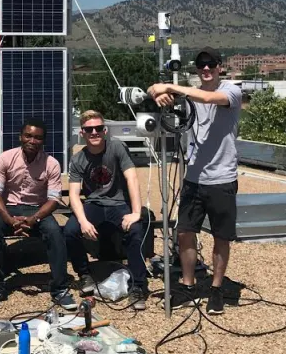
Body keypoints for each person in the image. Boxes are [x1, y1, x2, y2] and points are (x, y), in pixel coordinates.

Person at [148, 46, 243, 315]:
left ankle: (215, 288)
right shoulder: (189, 93)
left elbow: (208, 98)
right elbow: (152, 91)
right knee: (185, 232)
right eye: (201, 65)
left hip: (222, 178)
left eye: (210, 65)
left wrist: (171, 87)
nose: (205, 69)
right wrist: (160, 92)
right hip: (194, 178)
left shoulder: (231, 90)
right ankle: (188, 286)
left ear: (219, 67)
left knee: (221, 236)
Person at [0, 117, 76, 310]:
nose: (32, 141)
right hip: (9, 207)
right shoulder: (6, 158)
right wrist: (9, 220)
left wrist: (34, 219)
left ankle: (60, 288)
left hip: (37, 209)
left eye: (37, 138)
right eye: (28, 136)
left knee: (54, 232)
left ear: (43, 141)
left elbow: (54, 200)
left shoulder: (51, 164)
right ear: (20, 137)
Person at [63, 110, 149, 311]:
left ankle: (138, 286)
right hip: (94, 204)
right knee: (70, 231)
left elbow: (132, 178)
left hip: (118, 204)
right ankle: (84, 275)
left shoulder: (117, 147)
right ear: (82, 132)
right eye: (89, 129)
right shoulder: (78, 159)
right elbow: (74, 194)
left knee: (136, 230)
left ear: (105, 130)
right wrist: (83, 221)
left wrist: (136, 212)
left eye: (98, 128)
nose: (94, 132)